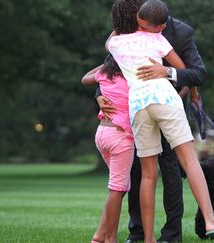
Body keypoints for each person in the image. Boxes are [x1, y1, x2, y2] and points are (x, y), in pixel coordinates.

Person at [106, 0, 214, 242]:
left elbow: (112, 45)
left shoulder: (114, 42)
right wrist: (168, 73)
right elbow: (183, 68)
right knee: (190, 161)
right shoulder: (157, 39)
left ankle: (148, 239)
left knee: (147, 175)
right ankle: (210, 221)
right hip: (166, 99)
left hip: (139, 106)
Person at [82, 54, 135, 243]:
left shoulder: (105, 74)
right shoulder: (131, 76)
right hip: (120, 136)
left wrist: (108, 62)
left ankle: (98, 237)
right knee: (117, 188)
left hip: (102, 133)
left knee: (119, 188)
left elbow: (85, 78)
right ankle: (110, 239)